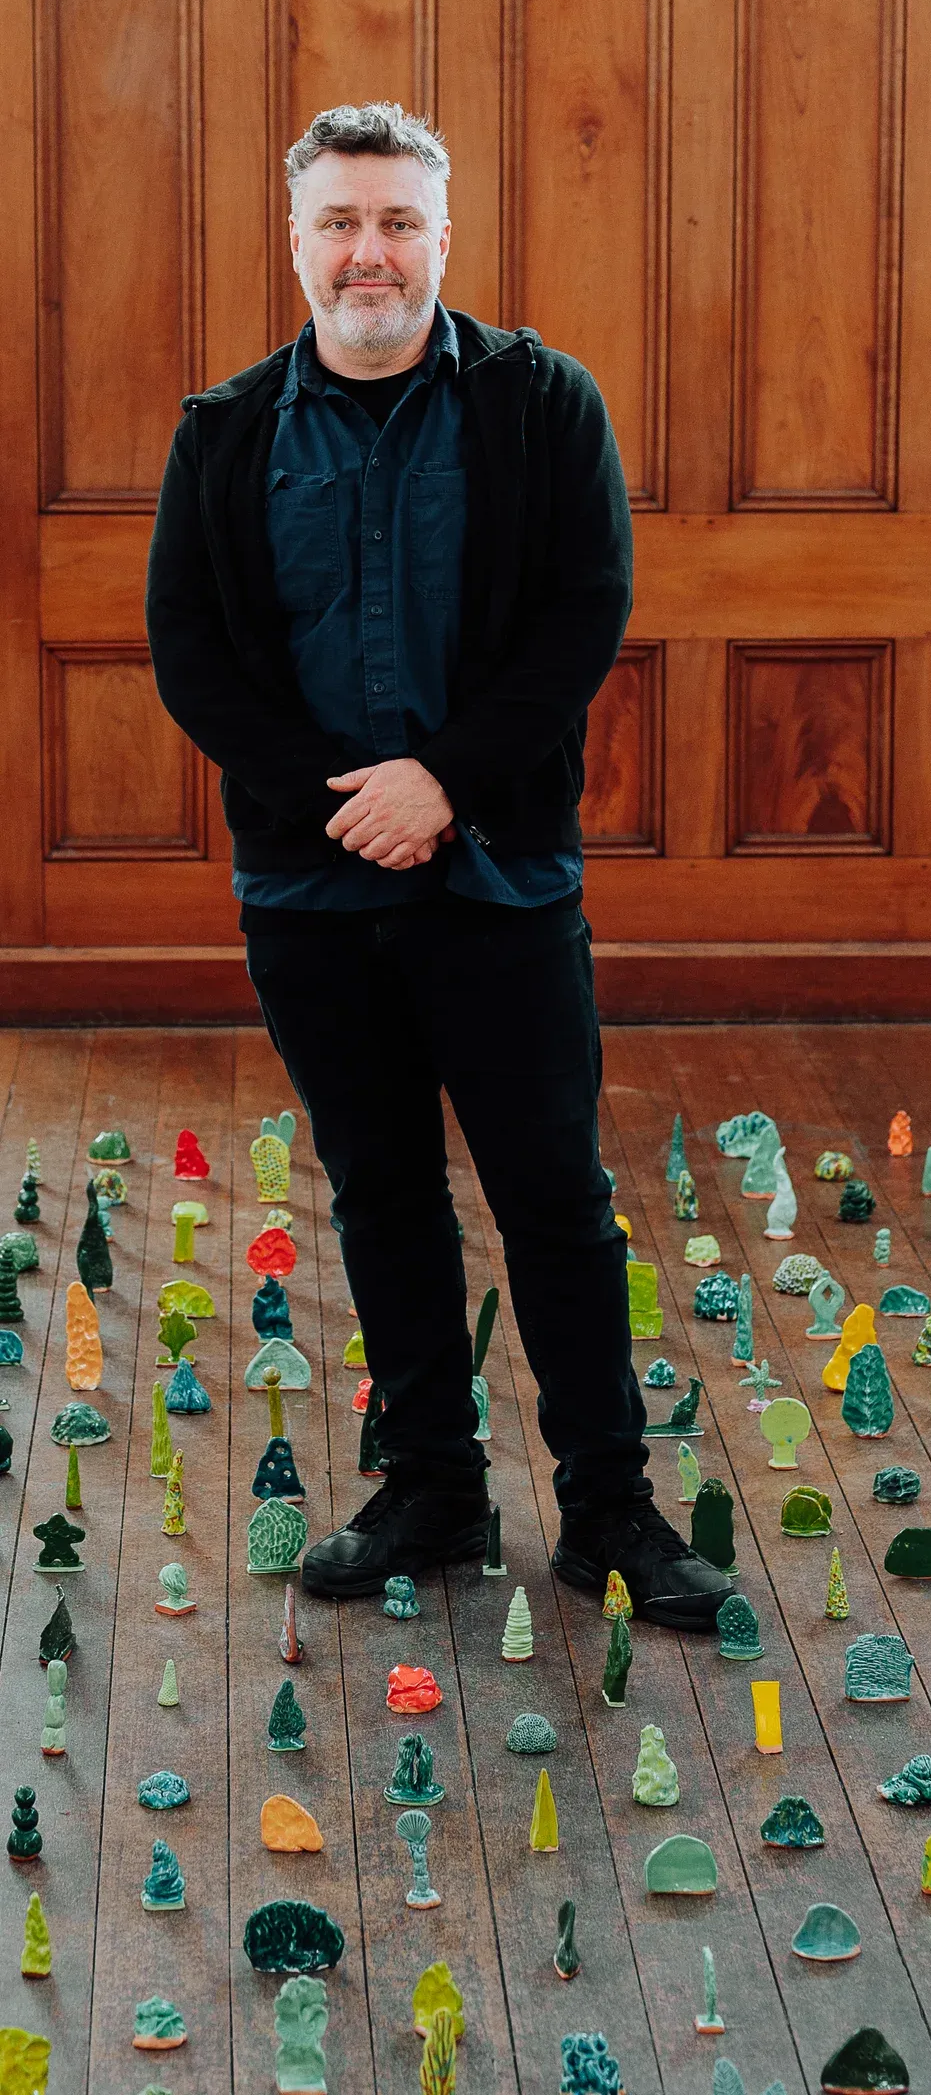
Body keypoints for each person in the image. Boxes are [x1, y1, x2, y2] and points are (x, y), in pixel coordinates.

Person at [146, 100, 730, 1631]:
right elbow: (191, 655)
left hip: (499, 881)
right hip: (313, 891)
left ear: (442, 236)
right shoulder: (223, 434)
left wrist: (442, 783)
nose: (370, 251)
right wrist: (345, 804)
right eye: (341, 222)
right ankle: (434, 1492)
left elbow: (582, 616)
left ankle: (609, 1509)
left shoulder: (543, 405)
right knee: (381, 1194)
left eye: (398, 221)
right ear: (296, 243)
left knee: (557, 1201)